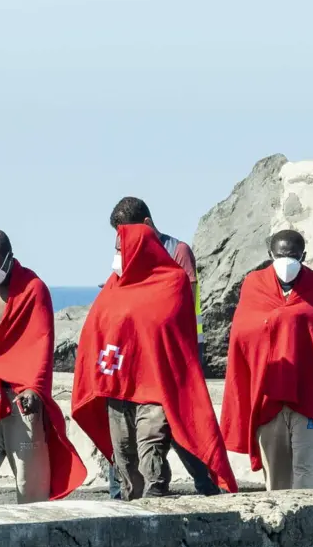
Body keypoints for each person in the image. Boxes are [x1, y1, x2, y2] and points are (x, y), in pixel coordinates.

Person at [72, 212, 236, 500]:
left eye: (121, 249)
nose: (117, 255)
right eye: (116, 250)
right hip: (119, 383)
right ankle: (127, 508)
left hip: (157, 383)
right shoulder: (114, 285)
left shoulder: (173, 281)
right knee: (123, 453)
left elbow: (171, 327)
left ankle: (161, 502)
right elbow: (98, 329)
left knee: (152, 449)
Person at [0, 229, 87, 506]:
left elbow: (40, 341)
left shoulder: (33, 288)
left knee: (31, 482)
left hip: (20, 399)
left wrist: (34, 389)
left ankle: (38, 543)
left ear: (9, 258)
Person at [221, 230, 313, 490]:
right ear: (270, 255)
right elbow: (242, 336)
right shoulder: (254, 283)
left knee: (306, 476)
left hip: (310, 400)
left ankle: (308, 530)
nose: (286, 261)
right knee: (277, 480)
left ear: (303, 256)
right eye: (281, 256)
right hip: (268, 397)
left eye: (293, 256)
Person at [105, 197, 218, 497]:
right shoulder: (122, 255)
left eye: (125, 233)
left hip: (174, 354)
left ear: (145, 225)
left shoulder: (176, 252)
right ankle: (122, 495)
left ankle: (208, 488)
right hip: (133, 364)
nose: (121, 242)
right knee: (123, 438)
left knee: (181, 428)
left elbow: (186, 305)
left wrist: (192, 356)